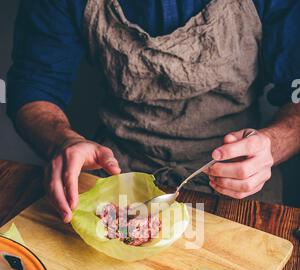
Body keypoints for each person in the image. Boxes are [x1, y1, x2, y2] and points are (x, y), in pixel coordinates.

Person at [7, 0, 300, 223]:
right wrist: (63, 141)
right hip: (116, 176)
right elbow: (33, 87)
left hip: (242, 187)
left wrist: (269, 146)